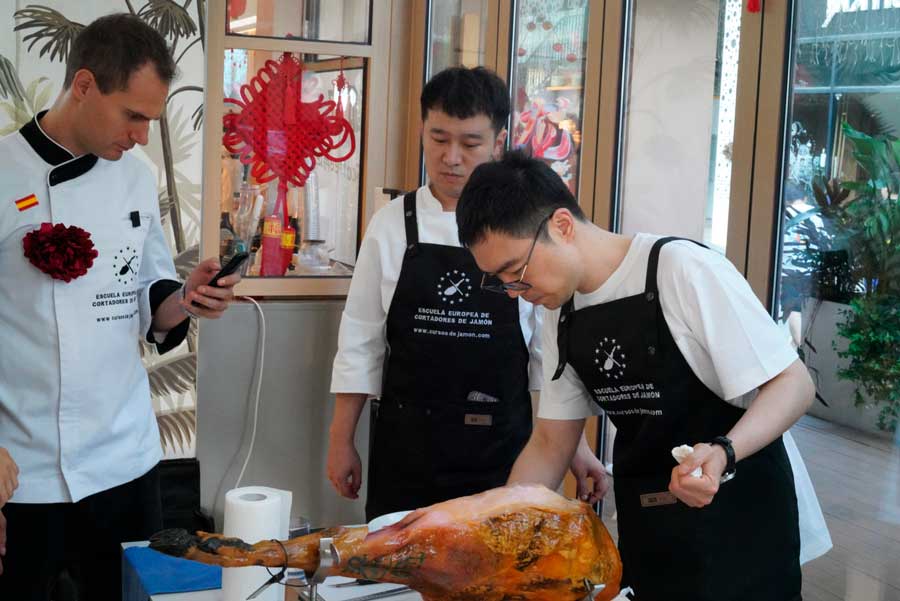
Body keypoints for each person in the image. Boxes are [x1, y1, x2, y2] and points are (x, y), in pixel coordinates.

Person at [456, 152, 831, 601]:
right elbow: (551, 444)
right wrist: (497, 534)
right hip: (652, 528)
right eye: (501, 282)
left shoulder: (682, 269)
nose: (517, 291)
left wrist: (723, 452)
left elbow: (794, 384)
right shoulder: (562, 312)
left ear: (562, 225)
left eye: (516, 272)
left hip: (741, 521)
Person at [0, 14, 239, 600]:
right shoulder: (3, 171)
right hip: (21, 468)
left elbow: (152, 296)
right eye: (132, 116)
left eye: (150, 121)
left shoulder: (135, 178)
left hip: (124, 462)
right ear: (83, 85)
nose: (140, 136)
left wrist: (187, 300)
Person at [327, 67, 605, 521]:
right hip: (407, 450)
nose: (451, 157)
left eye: (470, 143)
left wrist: (577, 448)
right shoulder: (392, 224)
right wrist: (342, 442)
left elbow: (547, 354)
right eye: (438, 138)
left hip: (502, 450)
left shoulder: (526, 228)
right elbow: (360, 342)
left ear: (499, 141)